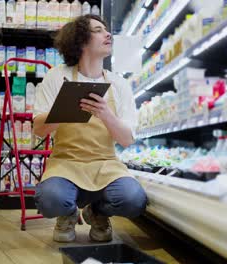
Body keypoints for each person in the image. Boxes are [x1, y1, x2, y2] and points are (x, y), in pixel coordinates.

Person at [33, 14, 147, 243]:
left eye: (107, 29)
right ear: (81, 40)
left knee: (134, 199)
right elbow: (38, 129)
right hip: (65, 164)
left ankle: (97, 212)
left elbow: (126, 140)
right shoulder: (57, 77)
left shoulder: (118, 84)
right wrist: (66, 109)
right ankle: (67, 213)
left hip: (106, 165)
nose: (108, 34)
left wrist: (106, 114)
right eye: (98, 30)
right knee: (50, 200)